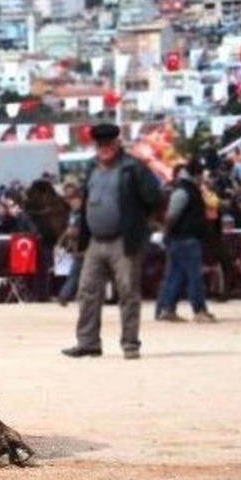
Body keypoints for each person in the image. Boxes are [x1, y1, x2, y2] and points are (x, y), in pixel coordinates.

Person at [62, 123, 163, 360]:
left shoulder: (132, 168)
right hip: (95, 241)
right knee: (87, 290)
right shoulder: (91, 168)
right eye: (100, 145)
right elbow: (86, 201)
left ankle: (130, 344)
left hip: (124, 240)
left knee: (128, 292)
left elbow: (154, 197)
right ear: (95, 146)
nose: (104, 148)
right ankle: (88, 342)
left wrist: (140, 224)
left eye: (109, 144)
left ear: (117, 144)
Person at [155, 161, 216, 323]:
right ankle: (199, 310)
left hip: (180, 239)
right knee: (194, 276)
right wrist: (165, 233)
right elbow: (172, 215)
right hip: (186, 239)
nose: (203, 179)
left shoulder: (185, 189)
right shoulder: (184, 191)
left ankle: (167, 309)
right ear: (196, 174)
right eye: (201, 175)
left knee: (175, 276)